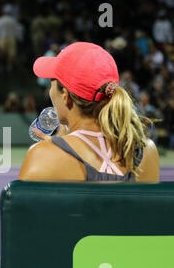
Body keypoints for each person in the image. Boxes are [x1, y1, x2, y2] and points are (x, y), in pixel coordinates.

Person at [19, 42, 159, 182]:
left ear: (65, 96)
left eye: (51, 84)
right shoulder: (148, 151)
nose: (50, 91)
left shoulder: (42, 156)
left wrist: (54, 148)